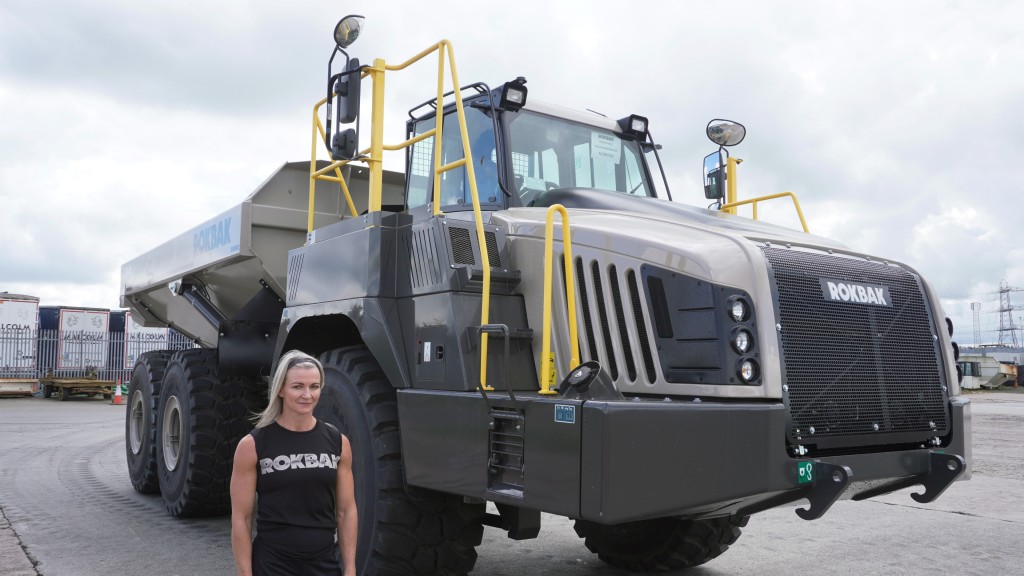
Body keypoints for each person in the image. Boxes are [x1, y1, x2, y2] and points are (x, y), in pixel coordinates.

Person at [230, 350, 357, 576]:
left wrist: (350, 568)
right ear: (280, 389)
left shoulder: (338, 442)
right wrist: (244, 574)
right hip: (272, 564)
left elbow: (346, 511)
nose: (307, 395)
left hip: (323, 562)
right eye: (298, 386)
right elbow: (242, 518)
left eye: (314, 386)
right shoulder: (252, 445)